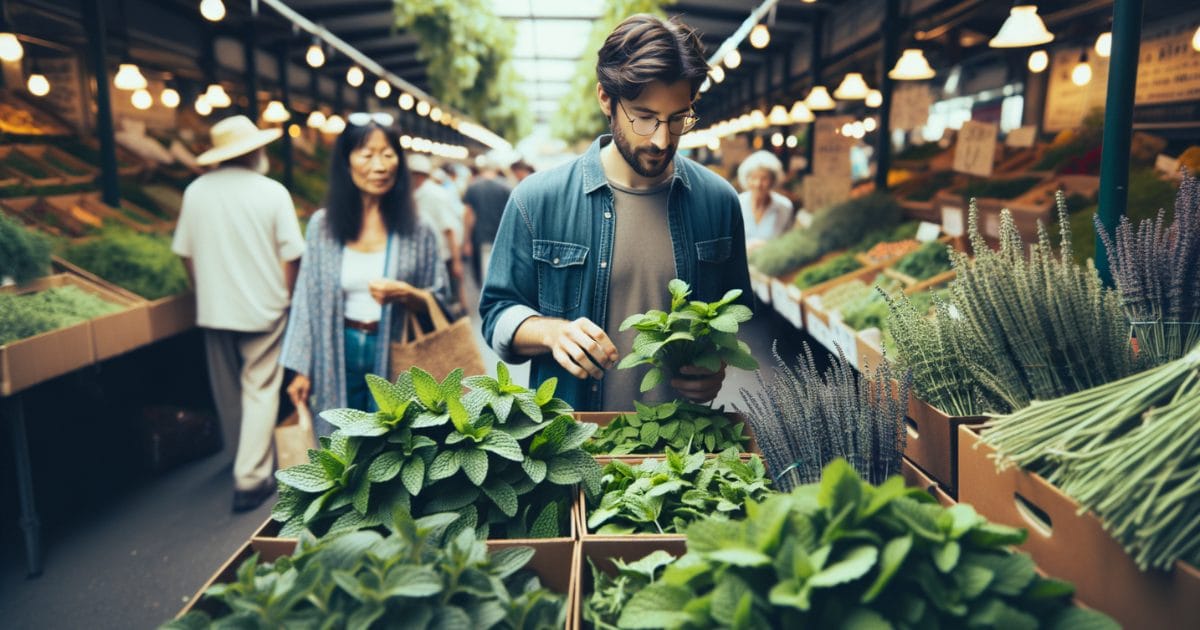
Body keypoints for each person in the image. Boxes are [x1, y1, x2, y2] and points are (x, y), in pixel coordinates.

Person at [479, 14, 752, 412]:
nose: (662, 139)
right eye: (644, 117)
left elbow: (733, 314)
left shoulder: (719, 201)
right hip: (574, 444)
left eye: (678, 118)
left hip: (684, 452)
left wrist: (717, 363)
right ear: (606, 99)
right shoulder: (537, 199)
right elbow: (496, 313)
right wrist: (551, 332)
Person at [280, 114, 450, 436]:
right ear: (346, 161)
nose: (380, 165)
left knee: (392, 446)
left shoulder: (419, 229)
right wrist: (302, 368)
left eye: (388, 154)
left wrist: (409, 294)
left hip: (396, 352)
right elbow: (307, 297)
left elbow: (441, 296)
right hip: (337, 348)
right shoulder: (323, 226)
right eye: (367, 154)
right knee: (342, 443)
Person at [172, 114, 305, 512]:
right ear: (255, 152)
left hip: (215, 308)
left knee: (228, 390)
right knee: (260, 389)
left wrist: (204, 291)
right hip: (265, 307)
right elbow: (292, 255)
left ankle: (242, 457)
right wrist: (288, 297)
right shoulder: (272, 192)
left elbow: (186, 254)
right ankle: (250, 478)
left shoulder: (195, 191)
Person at [409, 153, 466, 317]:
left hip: (443, 257)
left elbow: (450, 229)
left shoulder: (434, 195)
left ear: (419, 175)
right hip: (425, 259)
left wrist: (456, 261)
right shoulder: (414, 195)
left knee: (446, 303)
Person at [462, 155, 512, 286]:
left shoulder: (473, 187)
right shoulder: (506, 186)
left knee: (482, 277)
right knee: (501, 275)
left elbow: (469, 215)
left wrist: (466, 241)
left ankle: (484, 302)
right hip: (501, 238)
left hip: (479, 238)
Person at [736, 150, 799, 253]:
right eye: (753, 178)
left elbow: (787, 241)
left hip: (770, 264)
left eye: (764, 178)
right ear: (746, 179)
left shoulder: (784, 206)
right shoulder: (737, 203)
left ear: (773, 181)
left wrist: (769, 247)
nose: (758, 184)